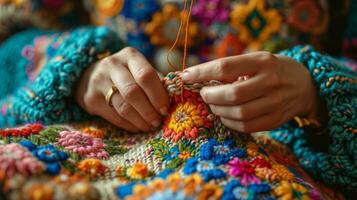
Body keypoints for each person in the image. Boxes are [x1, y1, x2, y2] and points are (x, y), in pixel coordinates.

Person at [0, 0, 355, 199]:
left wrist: (317, 90)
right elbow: (10, 42)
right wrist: (77, 70)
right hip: (93, 134)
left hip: (287, 151)